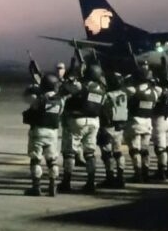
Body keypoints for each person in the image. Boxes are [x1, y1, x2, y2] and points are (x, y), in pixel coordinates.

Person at [63, 63, 105, 192]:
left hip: (78, 120)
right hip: (94, 122)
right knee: (90, 153)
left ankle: (66, 182)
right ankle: (90, 183)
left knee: (69, 152)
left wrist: (74, 76)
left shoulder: (82, 86)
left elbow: (66, 88)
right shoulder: (102, 89)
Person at [23, 74, 64, 196]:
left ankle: (36, 187)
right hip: (53, 133)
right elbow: (59, 114)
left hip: (39, 131)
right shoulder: (60, 100)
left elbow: (31, 110)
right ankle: (52, 186)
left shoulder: (39, 99)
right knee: (52, 160)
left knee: (35, 159)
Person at [124, 63, 158, 183]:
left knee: (135, 149)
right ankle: (146, 172)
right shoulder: (155, 91)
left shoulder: (133, 90)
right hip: (147, 121)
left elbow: (125, 91)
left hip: (135, 121)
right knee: (145, 149)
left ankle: (137, 173)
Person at [100, 71, 129, 188]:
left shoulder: (108, 96)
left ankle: (110, 177)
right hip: (120, 126)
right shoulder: (124, 94)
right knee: (118, 152)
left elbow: (101, 109)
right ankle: (121, 176)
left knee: (107, 153)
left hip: (109, 126)